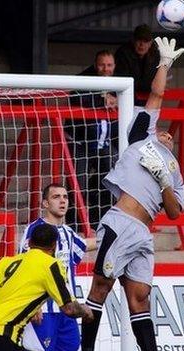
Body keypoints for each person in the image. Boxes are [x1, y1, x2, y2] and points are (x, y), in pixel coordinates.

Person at [80, 37, 184, 351]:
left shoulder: (175, 172)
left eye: (170, 135)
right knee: (101, 287)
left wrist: (164, 179)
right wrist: (164, 63)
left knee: (140, 299)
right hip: (121, 222)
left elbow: (175, 212)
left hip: (143, 233)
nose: (166, 134)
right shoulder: (142, 138)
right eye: (163, 130)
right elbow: (157, 94)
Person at [0, 223, 93, 351]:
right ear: (54, 246)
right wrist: (86, 311)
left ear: (30, 243)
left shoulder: (7, 262)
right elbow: (69, 309)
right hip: (3, 337)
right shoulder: (50, 264)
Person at [18, 183, 96, 351]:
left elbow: (85, 245)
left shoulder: (68, 232)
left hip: (68, 309)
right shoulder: (34, 230)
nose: (62, 201)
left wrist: (117, 237)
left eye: (65, 197)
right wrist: (32, 306)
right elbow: (24, 268)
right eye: (56, 197)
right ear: (45, 204)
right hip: (44, 309)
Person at [67, 50, 119, 230]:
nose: (106, 69)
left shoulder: (119, 85)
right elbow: (76, 98)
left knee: (109, 181)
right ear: (96, 65)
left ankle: (100, 223)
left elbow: (132, 100)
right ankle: (73, 225)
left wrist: (115, 100)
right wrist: (102, 99)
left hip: (104, 144)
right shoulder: (83, 81)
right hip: (81, 143)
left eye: (109, 65)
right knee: (77, 184)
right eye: (102, 65)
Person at [114, 24, 160, 105]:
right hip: (125, 99)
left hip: (148, 100)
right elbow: (124, 82)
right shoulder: (123, 53)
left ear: (150, 43)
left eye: (146, 41)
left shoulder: (155, 55)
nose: (142, 44)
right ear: (133, 40)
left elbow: (155, 83)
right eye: (139, 40)